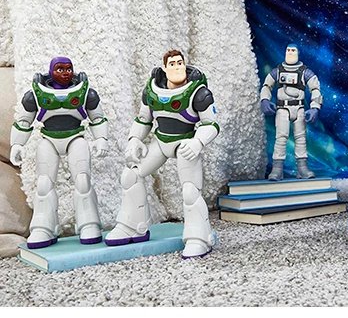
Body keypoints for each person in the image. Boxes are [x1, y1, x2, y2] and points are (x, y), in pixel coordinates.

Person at [105, 50, 219, 259]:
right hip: (161, 141)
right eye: (172, 64)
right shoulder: (152, 90)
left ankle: (199, 238)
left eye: (180, 63)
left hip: (185, 143)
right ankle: (132, 226)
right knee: (131, 175)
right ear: (164, 68)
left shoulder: (199, 92)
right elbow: (143, 119)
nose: (177, 67)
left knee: (190, 191)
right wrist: (134, 139)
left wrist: (198, 141)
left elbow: (211, 124)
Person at [10, 56, 109, 248]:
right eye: (60, 69)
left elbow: (97, 117)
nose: (65, 73)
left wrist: (101, 139)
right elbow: (23, 120)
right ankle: (43, 227)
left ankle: (89, 224)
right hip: (48, 140)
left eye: (68, 69)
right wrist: (17, 144)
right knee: (44, 184)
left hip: (75, 137)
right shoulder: (35, 95)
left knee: (82, 180)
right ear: (51, 71)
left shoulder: (86, 92)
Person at [260, 44, 323, 180]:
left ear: (297, 53)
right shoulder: (278, 71)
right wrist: (264, 100)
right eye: (288, 50)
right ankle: (277, 169)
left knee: (301, 138)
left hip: (299, 108)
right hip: (282, 108)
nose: (290, 52)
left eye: (293, 50)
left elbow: (315, 89)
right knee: (281, 138)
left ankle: (302, 168)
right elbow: (267, 85)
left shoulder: (305, 72)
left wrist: (315, 107)